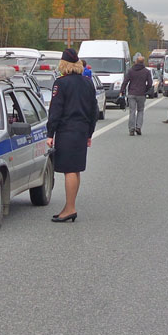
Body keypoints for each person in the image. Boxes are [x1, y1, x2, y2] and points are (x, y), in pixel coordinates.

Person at [46, 48, 98, 223]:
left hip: (67, 131)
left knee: (69, 170)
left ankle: (70, 208)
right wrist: (89, 133)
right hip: (82, 131)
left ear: (63, 64)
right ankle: (70, 206)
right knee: (75, 170)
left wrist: (50, 133)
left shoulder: (61, 83)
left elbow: (55, 110)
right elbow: (94, 111)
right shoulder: (87, 83)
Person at [120, 52, 152, 136]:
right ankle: (138, 127)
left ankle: (131, 129)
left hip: (132, 93)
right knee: (140, 111)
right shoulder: (146, 71)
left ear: (136, 61)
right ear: (143, 62)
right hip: (141, 94)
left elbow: (125, 82)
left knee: (132, 111)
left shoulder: (131, 71)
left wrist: (121, 91)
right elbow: (150, 83)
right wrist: (145, 90)